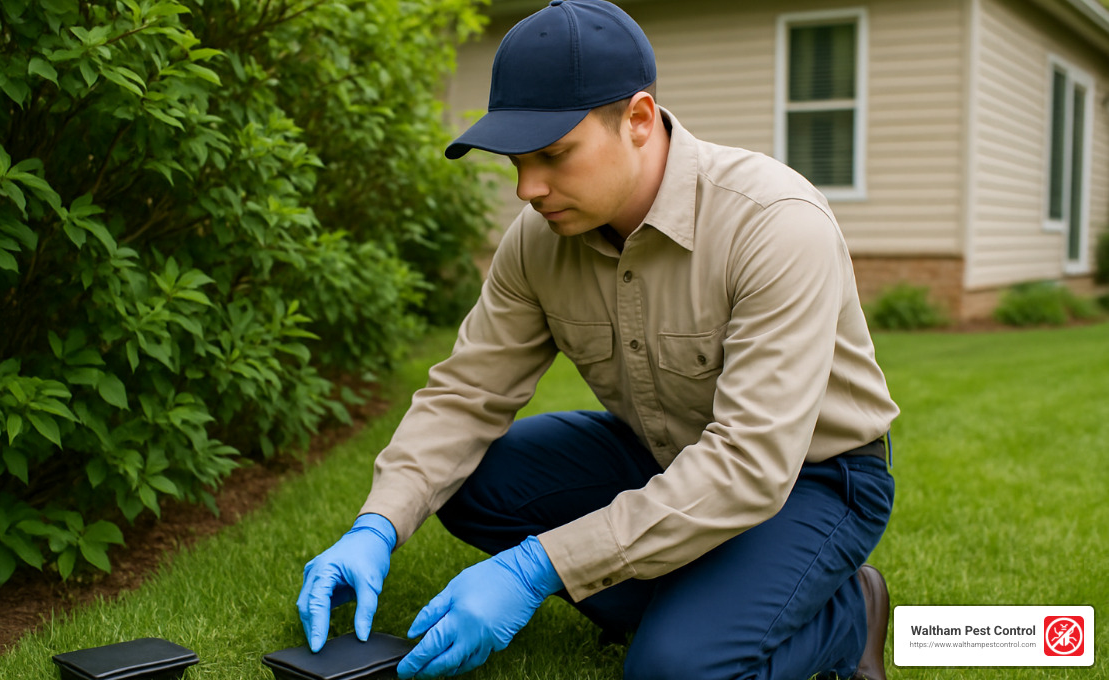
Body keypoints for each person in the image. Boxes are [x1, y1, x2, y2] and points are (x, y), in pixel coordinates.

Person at [296, 1, 899, 678]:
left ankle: (847, 616)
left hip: (811, 478)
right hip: (663, 453)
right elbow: (466, 394)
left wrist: (537, 568)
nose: (528, 189)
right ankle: (693, 596)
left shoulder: (774, 224)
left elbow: (751, 463)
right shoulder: (538, 241)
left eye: (553, 155)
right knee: (469, 481)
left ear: (638, 119)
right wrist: (375, 525)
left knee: (671, 671)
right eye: (517, 161)